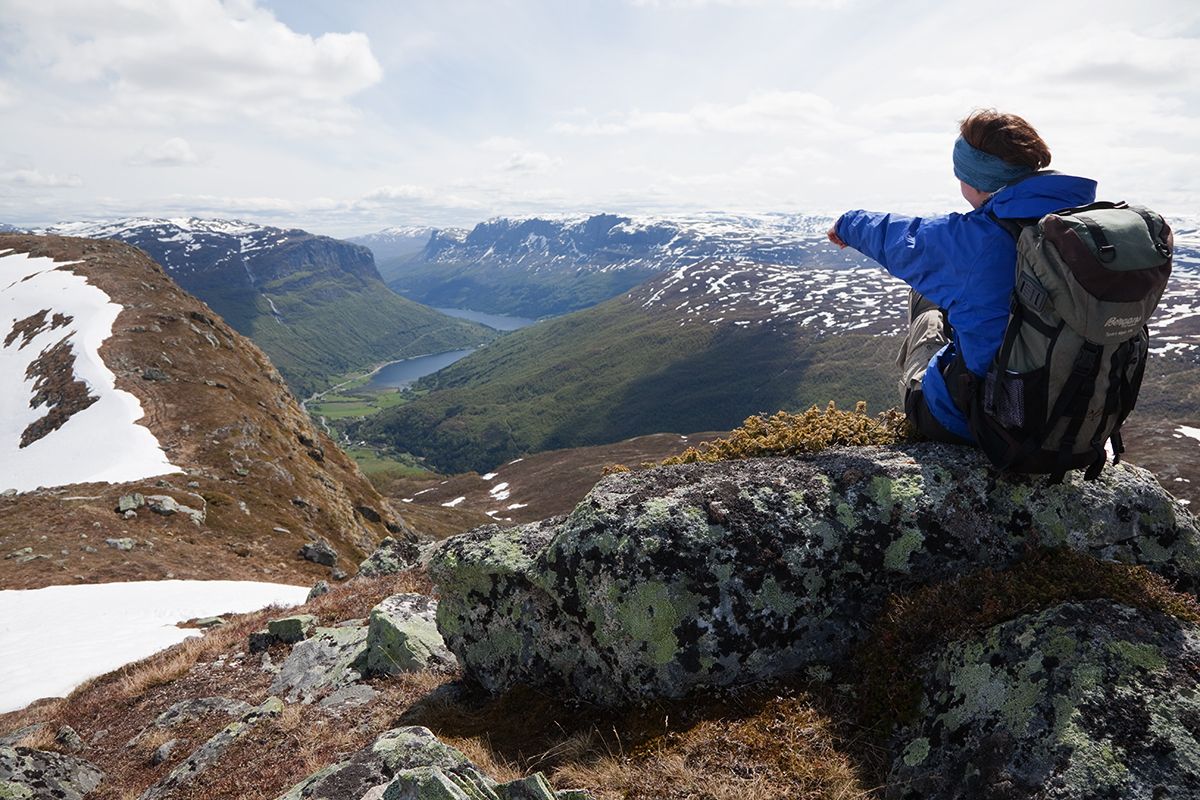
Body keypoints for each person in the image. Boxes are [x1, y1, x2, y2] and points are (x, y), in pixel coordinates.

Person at [827, 109, 1098, 444]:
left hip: (983, 421)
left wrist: (845, 223)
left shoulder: (975, 240)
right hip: (1073, 419)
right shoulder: (1079, 228)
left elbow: (899, 239)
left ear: (973, 179)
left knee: (927, 304)